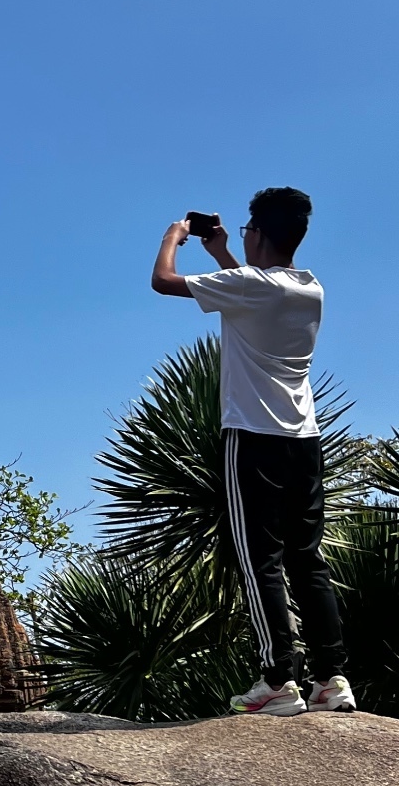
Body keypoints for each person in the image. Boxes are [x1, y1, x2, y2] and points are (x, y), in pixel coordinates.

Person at [151, 188, 355, 716]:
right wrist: (222, 251)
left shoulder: (247, 286)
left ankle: (277, 680)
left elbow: (162, 282)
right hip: (304, 440)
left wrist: (173, 237)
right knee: (306, 559)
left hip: (252, 436)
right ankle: (332, 679)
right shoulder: (310, 289)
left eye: (247, 231)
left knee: (258, 558)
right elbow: (256, 287)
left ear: (259, 235)